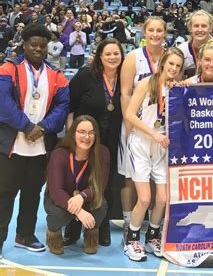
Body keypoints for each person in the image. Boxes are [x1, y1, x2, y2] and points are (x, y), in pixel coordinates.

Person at [0, 23, 69, 258]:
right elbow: (3, 102)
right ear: (24, 45)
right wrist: (26, 126)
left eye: (42, 45)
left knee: (32, 193)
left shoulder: (56, 74)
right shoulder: (9, 68)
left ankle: (25, 235)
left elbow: (62, 106)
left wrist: (43, 127)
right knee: (4, 194)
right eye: (33, 45)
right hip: (11, 145)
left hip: (40, 146)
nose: (38, 49)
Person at [124, 47, 184, 261]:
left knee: (162, 199)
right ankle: (131, 238)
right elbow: (129, 115)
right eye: (171, 64)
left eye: (178, 66)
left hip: (161, 146)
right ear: (162, 64)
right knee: (145, 198)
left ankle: (152, 237)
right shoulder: (146, 83)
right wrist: (153, 134)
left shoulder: (176, 88)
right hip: (141, 142)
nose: (174, 69)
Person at [66, 38, 124, 247]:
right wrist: (70, 136)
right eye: (107, 53)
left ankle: (102, 224)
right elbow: (70, 106)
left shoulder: (125, 77)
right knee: (79, 180)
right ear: (99, 55)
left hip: (112, 138)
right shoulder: (85, 76)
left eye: (116, 53)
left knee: (106, 183)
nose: (112, 57)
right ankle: (73, 224)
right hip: (85, 138)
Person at [119, 17, 166, 242]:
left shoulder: (170, 57)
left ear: (165, 33)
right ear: (144, 32)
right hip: (136, 125)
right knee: (132, 179)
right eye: (151, 30)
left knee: (158, 187)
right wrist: (129, 127)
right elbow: (125, 93)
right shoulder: (133, 57)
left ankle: (154, 230)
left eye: (159, 31)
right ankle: (131, 227)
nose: (155, 34)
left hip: (160, 131)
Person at [44, 115, 110, 255]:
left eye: (91, 133)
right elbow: (56, 190)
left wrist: (81, 197)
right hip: (61, 199)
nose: (87, 137)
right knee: (58, 215)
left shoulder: (102, 153)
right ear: (73, 133)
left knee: (101, 205)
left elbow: (100, 185)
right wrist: (79, 211)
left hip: (86, 198)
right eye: (81, 132)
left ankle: (91, 236)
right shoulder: (59, 153)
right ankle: (53, 234)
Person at [178, 10, 213, 78]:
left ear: (210, 28)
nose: (200, 30)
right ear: (190, 28)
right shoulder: (181, 51)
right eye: (196, 26)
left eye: (204, 26)